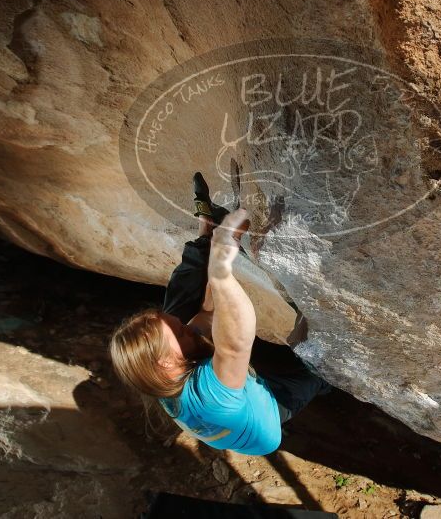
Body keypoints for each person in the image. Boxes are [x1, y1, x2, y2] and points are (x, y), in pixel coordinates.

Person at [110, 173, 331, 456]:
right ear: (168, 363)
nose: (186, 325)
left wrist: (217, 248)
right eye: (181, 331)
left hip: (219, 400)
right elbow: (235, 341)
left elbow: (206, 314)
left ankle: (207, 233)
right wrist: (220, 270)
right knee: (315, 375)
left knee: (170, 316)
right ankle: (327, 380)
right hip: (268, 419)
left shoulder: (159, 373)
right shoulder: (211, 396)